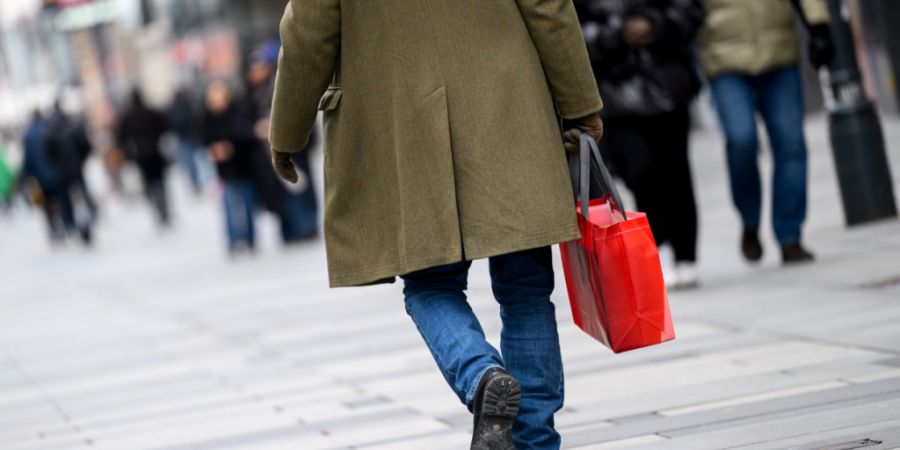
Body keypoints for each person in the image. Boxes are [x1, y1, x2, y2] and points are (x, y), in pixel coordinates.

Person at [268, 1, 603, 449]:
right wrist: (580, 103)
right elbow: (548, 6)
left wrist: (287, 133)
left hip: (401, 125)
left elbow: (308, 31)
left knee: (430, 285)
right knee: (526, 288)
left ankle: (480, 373)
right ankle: (535, 441)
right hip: (508, 106)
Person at [574, 0, 705, 289]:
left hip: (667, 85)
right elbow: (568, 32)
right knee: (641, 171)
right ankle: (659, 245)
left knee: (677, 172)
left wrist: (655, 24)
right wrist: (617, 34)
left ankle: (686, 253)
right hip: (614, 96)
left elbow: (690, 10)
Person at [697, 0, 834, 264]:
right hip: (723, 61)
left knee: (791, 144)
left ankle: (790, 235)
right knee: (741, 140)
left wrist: (818, 26)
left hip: (779, 54)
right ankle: (749, 220)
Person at [245, 43, 319, 244]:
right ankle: (294, 229)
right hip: (269, 150)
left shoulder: (282, 84)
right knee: (284, 191)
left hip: (294, 145)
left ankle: (307, 226)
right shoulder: (252, 93)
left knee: (301, 186)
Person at [202, 81, 259, 254]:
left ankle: (250, 239)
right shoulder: (207, 119)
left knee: (248, 204)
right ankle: (233, 240)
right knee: (228, 206)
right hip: (224, 171)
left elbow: (246, 135)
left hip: (243, 166)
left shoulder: (237, 112)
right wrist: (213, 149)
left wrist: (230, 147)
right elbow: (203, 138)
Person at [44, 100, 96, 244]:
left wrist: (55, 164)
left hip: (62, 171)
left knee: (65, 198)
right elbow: (85, 145)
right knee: (83, 193)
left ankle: (70, 223)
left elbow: (48, 153)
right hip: (76, 167)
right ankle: (91, 215)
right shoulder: (73, 124)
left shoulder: (50, 130)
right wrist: (82, 160)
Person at [118, 90, 172, 227]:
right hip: (155, 152)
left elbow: (121, 137)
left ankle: (158, 209)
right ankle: (164, 209)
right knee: (160, 182)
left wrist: (129, 151)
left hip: (141, 155)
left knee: (149, 183)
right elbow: (164, 127)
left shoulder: (128, 116)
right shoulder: (151, 112)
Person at [19, 110, 66, 242]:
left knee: (47, 203)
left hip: (40, 176)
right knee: (60, 199)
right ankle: (63, 222)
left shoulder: (28, 136)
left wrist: (25, 177)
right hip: (56, 172)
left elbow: (27, 160)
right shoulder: (49, 128)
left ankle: (53, 227)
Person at [168, 88, 206, 195]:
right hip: (191, 137)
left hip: (183, 138)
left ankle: (194, 182)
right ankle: (197, 182)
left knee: (188, 162)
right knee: (195, 161)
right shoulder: (188, 106)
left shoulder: (174, 108)